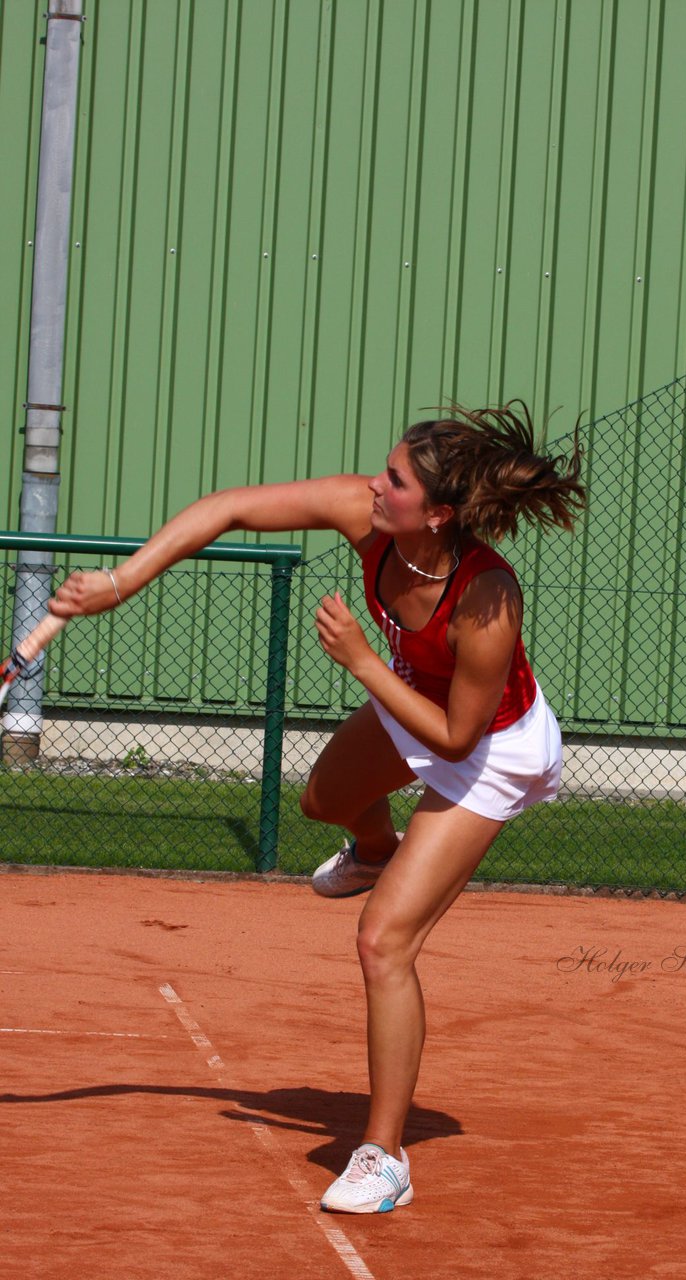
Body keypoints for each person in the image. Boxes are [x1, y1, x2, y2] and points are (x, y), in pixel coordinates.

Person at [50, 400, 586, 1215]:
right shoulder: (365, 518)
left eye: (396, 480)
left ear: (438, 514)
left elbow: (453, 740)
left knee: (383, 943)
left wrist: (365, 663)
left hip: (488, 752)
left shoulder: (489, 599)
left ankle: (384, 1158)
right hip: (417, 700)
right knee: (323, 800)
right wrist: (124, 583)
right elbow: (229, 506)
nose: (376, 483)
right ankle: (374, 851)